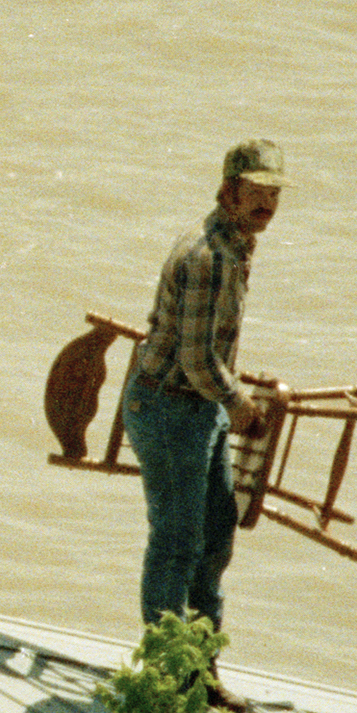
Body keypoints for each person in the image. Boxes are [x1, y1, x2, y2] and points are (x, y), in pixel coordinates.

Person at [123, 139, 286, 638]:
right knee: (176, 542)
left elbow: (206, 350)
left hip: (199, 406)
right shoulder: (207, 256)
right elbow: (196, 359)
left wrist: (227, 399)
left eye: (275, 194)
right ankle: (167, 675)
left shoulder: (235, 246)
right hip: (168, 407)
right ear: (227, 192)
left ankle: (201, 667)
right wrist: (237, 401)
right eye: (256, 192)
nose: (267, 205)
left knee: (216, 536)